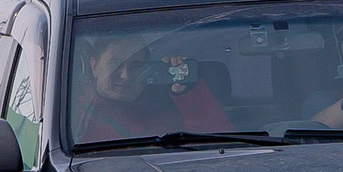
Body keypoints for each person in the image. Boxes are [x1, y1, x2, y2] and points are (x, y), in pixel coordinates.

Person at [76, 32, 234, 143]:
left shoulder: (167, 103)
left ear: (147, 67)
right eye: (116, 63)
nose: (126, 75)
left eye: (136, 65)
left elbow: (221, 145)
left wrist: (187, 93)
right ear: (94, 65)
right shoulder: (71, 114)